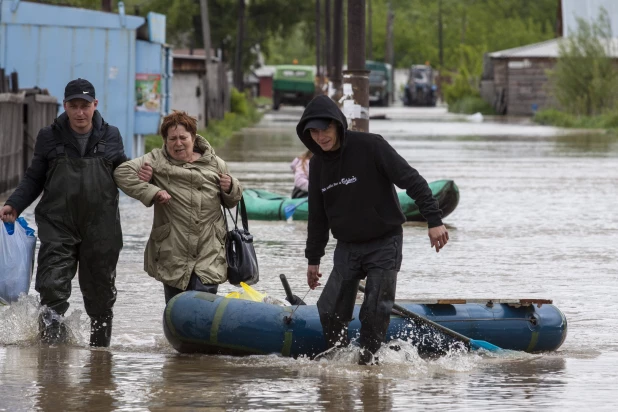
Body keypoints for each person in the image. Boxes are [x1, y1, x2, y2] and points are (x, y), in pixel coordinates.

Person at [296, 95, 449, 365]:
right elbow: (317, 216)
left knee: (374, 310)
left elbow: (412, 180)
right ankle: (339, 362)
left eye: (326, 129)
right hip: (348, 246)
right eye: (314, 132)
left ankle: (370, 368)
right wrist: (313, 259)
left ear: (337, 125)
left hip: (384, 241)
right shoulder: (318, 164)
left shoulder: (371, 146)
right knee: (329, 309)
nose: (321, 137)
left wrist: (434, 220)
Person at [0, 78, 127, 347]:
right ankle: (51, 355)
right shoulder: (49, 136)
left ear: (95, 105)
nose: (80, 112)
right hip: (58, 225)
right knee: (51, 287)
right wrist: (14, 203)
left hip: (101, 228)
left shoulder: (111, 135)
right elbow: (34, 177)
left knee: (101, 294)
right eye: (74, 106)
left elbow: (126, 175)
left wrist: (152, 185)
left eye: (85, 106)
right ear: (65, 106)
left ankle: (100, 356)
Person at [113, 111, 243, 304]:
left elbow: (232, 201)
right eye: (172, 138)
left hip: (209, 249)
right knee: (176, 309)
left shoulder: (215, 163)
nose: (178, 143)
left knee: (202, 307)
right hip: (172, 249)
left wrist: (231, 186)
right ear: (165, 140)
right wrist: (152, 190)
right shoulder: (156, 160)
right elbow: (122, 173)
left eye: (183, 137)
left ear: (193, 137)